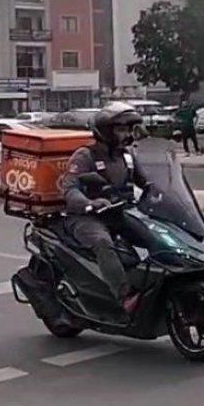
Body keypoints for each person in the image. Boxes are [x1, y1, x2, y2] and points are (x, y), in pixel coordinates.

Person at [59, 102, 152, 315]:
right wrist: (89, 203)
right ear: (106, 131)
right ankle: (125, 295)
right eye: (120, 129)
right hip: (87, 217)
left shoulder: (126, 155)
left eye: (128, 129)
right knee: (102, 242)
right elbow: (70, 189)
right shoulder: (85, 155)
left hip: (119, 212)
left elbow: (145, 181)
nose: (126, 134)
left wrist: (159, 192)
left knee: (155, 235)